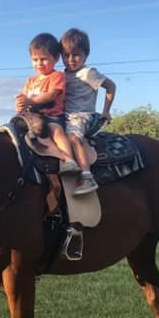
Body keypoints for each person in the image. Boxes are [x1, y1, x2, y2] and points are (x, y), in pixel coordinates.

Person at [14, 33, 81, 177]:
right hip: (31, 118)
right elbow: (24, 98)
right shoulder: (30, 80)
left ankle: (69, 160)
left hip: (52, 116)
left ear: (56, 58)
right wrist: (20, 104)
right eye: (35, 59)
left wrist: (30, 101)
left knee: (56, 132)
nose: (39, 63)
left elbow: (51, 95)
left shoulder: (57, 76)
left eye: (44, 59)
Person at [60, 27, 117, 196]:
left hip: (81, 115)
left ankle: (87, 176)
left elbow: (111, 86)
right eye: (66, 55)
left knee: (72, 136)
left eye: (76, 55)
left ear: (85, 55)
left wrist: (106, 111)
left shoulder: (88, 73)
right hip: (64, 115)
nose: (71, 59)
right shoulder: (61, 75)